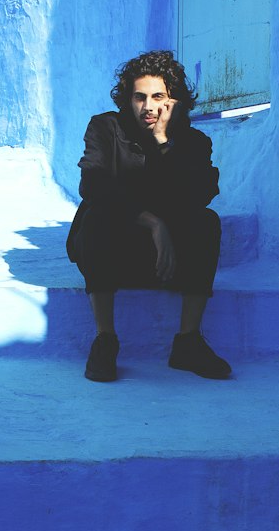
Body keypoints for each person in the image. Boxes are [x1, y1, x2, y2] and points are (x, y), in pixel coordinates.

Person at [66, 49, 232, 382]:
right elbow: (93, 185)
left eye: (158, 96)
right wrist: (153, 223)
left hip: (165, 263)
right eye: (139, 97)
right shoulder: (105, 129)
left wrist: (162, 142)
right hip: (111, 254)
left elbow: (200, 193)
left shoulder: (194, 142)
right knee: (97, 217)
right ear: (127, 99)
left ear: (174, 100)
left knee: (206, 223)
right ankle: (105, 340)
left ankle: (188, 342)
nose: (148, 106)